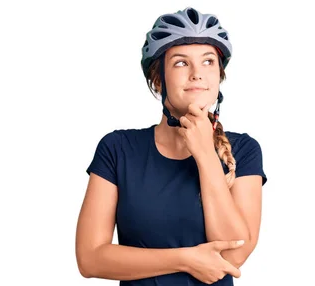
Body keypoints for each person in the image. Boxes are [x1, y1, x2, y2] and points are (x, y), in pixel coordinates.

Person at [75, 7, 267, 285]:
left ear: (219, 76)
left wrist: (205, 154)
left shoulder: (245, 150)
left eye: (208, 62)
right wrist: (186, 259)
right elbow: (90, 258)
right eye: (180, 63)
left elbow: (232, 255)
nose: (197, 74)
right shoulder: (117, 148)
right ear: (157, 79)